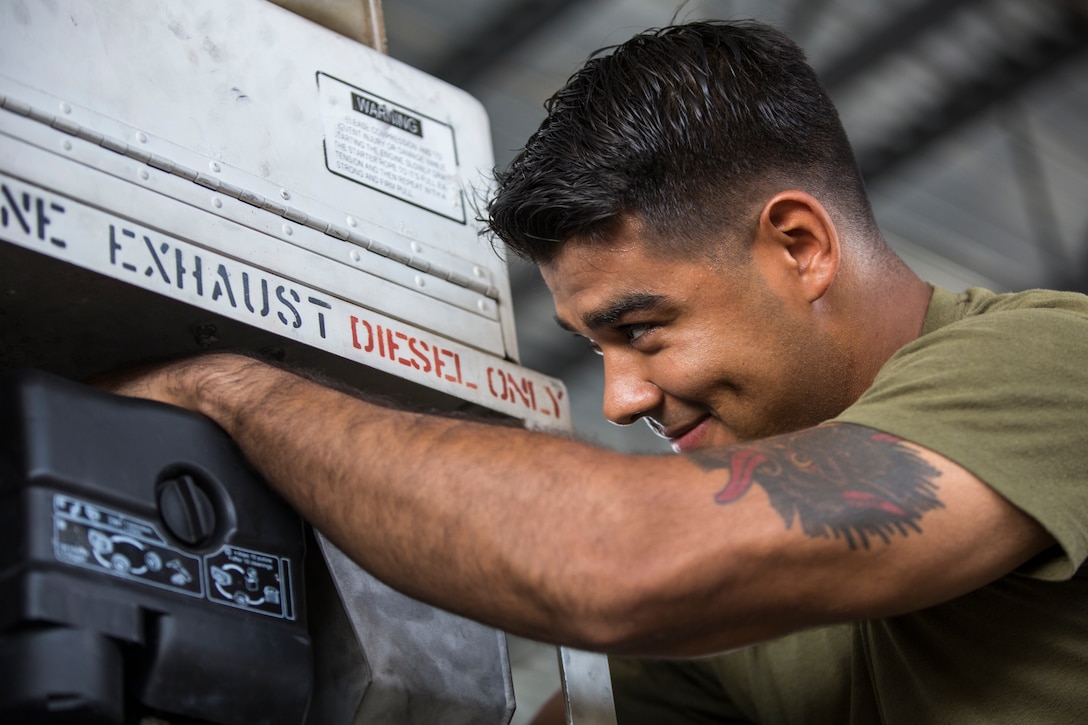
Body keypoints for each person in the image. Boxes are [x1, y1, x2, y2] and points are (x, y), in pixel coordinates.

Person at [103, 19, 1088, 724]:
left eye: (644, 327)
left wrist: (224, 389)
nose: (618, 399)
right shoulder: (731, 611)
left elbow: (613, 560)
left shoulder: (1048, 360)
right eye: (596, 348)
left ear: (798, 246)